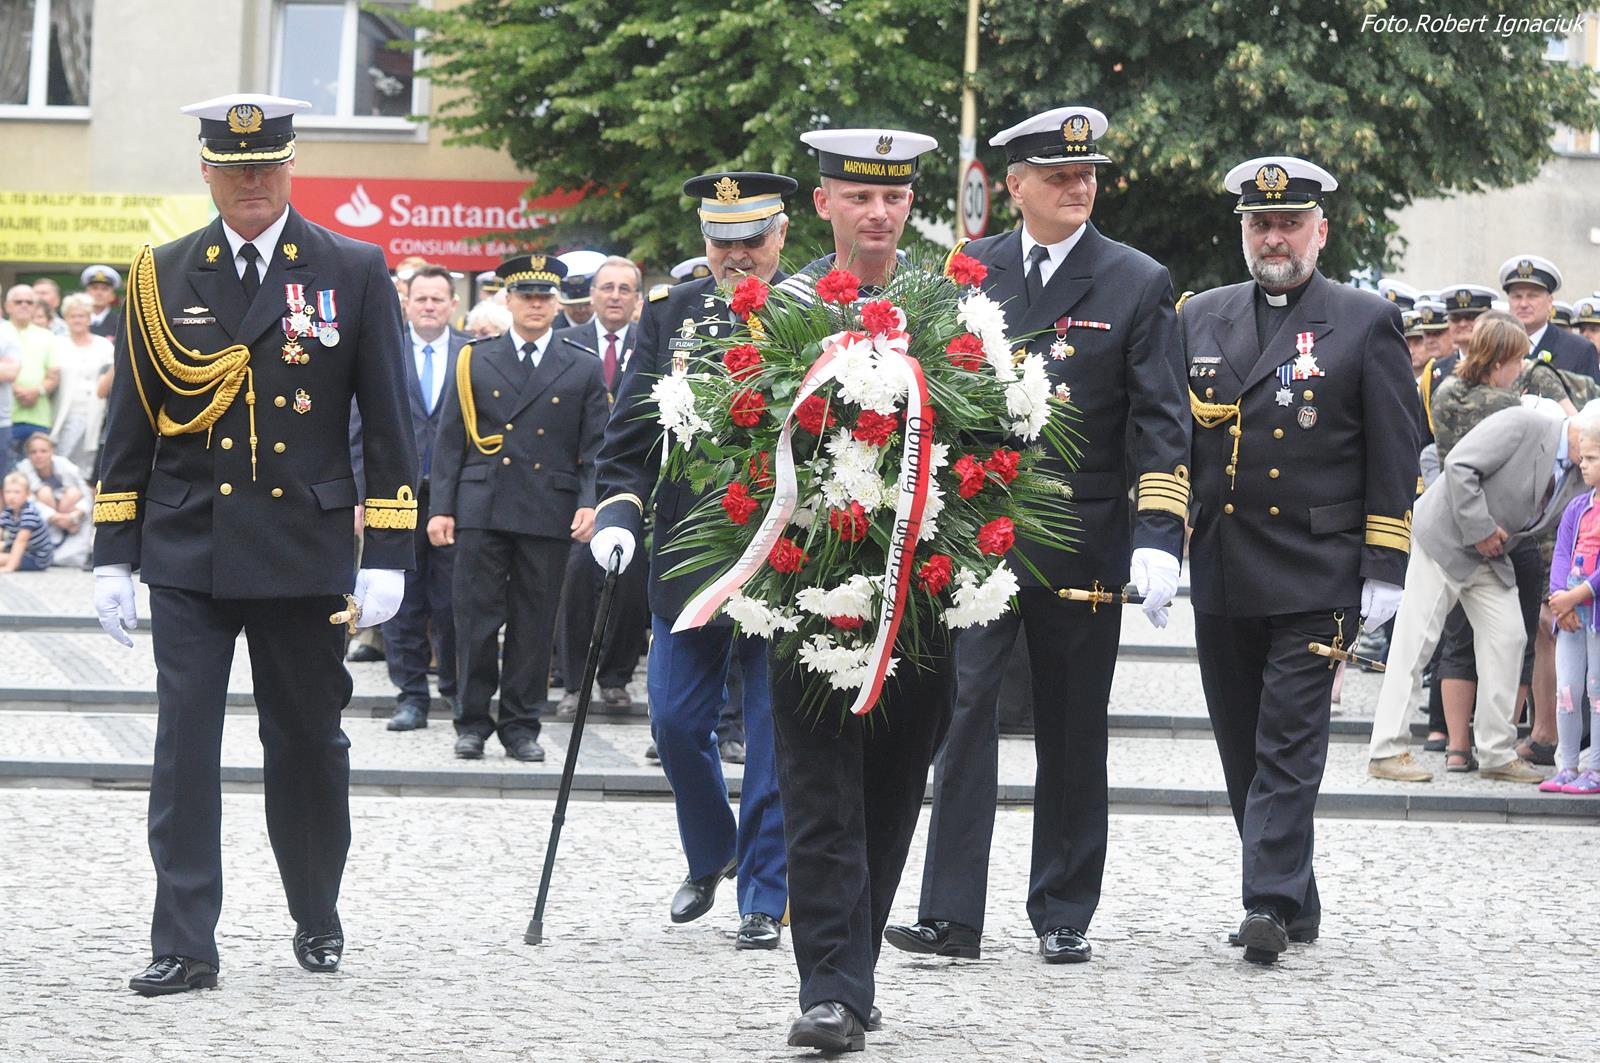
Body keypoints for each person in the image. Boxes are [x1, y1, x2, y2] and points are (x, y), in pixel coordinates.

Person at [92, 93, 417, 995]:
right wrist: (113, 550)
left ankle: (316, 910)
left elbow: (389, 422)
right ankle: (184, 941)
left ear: (291, 166)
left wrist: (389, 551)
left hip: (302, 547)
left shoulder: (350, 267)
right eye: (235, 170)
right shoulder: (160, 274)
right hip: (189, 545)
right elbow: (130, 426)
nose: (252, 184)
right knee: (183, 748)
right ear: (206, 171)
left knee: (308, 740)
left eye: (267, 167)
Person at [887, 106, 1188, 969]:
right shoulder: (970, 269)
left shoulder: (1135, 279)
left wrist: (1158, 532)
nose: (1078, 187)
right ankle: (949, 912)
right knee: (965, 712)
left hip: (1082, 535)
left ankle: (1063, 907)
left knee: (1070, 722)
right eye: (1059, 176)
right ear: (1014, 185)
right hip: (981, 533)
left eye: (1086, 173)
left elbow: (1161, 420)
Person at [1183, 156, 1419, 964]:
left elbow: (1395, 449)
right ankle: (1299, 897)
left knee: (1288, 740)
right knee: (1241, 745)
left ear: (1321, 231)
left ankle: (1269, 903)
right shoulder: (1202, 315)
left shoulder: (1364, 319)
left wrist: (1385, 562)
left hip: (1318, 567)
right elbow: (1176, 437)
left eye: (1289, 223)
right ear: (1243, 231)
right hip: (1225, 564)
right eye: (1260, 224)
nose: (1274, 238)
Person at [588, 171, 794, 956]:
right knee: (674, 721)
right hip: (688, 554)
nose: (735, 255)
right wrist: (617, 512)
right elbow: (629, 438)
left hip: (783, 553)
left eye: (751, 240)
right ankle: (713, 850)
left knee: (772, 735)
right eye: (720, 241)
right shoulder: (671, 313)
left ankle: (764, 894)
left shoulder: (812, 308)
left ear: (780, 235)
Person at [779, 129, 943, 1050]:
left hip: (920, 595)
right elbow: (743, 438)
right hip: (807, 591)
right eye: (858, 196)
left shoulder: (946, 308)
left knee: (891, 788)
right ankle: (830, 988)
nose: (877, 213)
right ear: (824, 204)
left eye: (893, 197)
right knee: (818, 791)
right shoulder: (785, 310)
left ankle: (854, 966)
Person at [428, 253, 608, 762]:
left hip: (547, 507)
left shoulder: (582, 364)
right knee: (475, 620)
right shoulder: (474, 358)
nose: (535, 304)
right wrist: (441, 508)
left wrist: (591, 503)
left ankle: (521, 726)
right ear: (507, 301)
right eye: (526, 296)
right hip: (483, 504)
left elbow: (596, 448)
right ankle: (471, 721)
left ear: (557, 303)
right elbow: (450, 441)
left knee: (534, 622)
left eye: (544, 296)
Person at [1366, 400, 1583, 787]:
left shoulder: (1578, 470)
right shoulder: (1523, 423)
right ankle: (1386, 750)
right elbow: (1459, 466)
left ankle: (1496, 752)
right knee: (1415, 644)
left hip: (1491, 555)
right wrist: (1481, 528)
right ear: (1583, 434)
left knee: (1509, 637)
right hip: (1445, 537)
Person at [553, 255, 647, 714]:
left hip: (633, 480)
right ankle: (574, 682)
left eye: (624, 289)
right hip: (576, 480)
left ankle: (615, 678)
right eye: (606, 287)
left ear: (637, 299)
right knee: (576, 577)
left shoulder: (653, 342)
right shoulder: (564, 344)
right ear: (591, 295)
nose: (614, 296)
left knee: (630, 580)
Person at [379, 264, 469, 732]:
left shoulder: (474, 354)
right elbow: (359, 423)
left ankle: (454, 690)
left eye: (438, 299)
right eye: (421, 299)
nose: (429, 307)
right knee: (402, 602)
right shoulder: (384, 351)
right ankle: (411, 696)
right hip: (395, 495)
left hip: (456, 499)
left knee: (454, 602)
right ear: (407, 304)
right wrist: (360, 494)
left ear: (453, 304)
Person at [1544, 415, 1600, 795]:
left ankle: (1595, 767)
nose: (1582, 464)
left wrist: (1576, 596)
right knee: (1566, 690)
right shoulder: (1577, 506)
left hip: (1593, 613)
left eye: (1592, 458)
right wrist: (1559, 601)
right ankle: (1567, 764)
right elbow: (1561, 555)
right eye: (1582, 457)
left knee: (1596, 691)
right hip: (1570, 614)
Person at [1501, 255, 1598, 381]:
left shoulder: (1578, 350)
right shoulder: (1496, 345)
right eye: (1517, 296)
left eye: (1532, 296)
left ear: (1550, 302)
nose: (1523, 304)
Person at [50, 292, 116, 471]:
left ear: (89, 318)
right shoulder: (56, 344)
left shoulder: (104, 346)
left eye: (82, 316)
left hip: (96, 414)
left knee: (88, 467)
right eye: (73, 316)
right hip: (63, 413)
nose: (77, 320)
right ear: (65, 318)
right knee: (61, 463)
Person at [17, 432, 92, 568]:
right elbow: (26, 500)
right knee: (44, 492)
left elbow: (86, 493)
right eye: (33, 452)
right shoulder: (23, 469)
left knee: (73, 493)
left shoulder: (65, 465)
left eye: (43, 451)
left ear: (52, 451)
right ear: (28, 454)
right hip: (44, 518)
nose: (38, 456)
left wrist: (74, 516)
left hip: (72, 516)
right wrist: (54, 517)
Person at [3, 285, 58, 463]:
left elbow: (54, 375)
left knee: (36, 473)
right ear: (7, 306)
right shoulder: (2, 332)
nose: (24, 305)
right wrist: (17, 389)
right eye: (18, 301)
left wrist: (36, 391)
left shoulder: (48, 336)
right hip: (5, 417)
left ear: (35, 307)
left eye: (29, 302)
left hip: (38, 417)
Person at [0, 471, 53, 572]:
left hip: (36, 557)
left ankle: (11, 563)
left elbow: (21, 542)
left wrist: (9, 567)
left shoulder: (29, 513)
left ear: (27, 494)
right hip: (19, 550)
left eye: (17, 492)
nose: (11, 496)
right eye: (8, 492)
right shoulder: (7, 512)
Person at [552, 249, 606, 329]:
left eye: (587, 303)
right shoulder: (548, 330)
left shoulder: (612, 326)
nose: (581, 309)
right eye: (573, 304)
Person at [82, 264, 122, 338]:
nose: (99, 293)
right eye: (95, 288)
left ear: (113, 296)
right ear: (86, 293)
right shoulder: (76, 320)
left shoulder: (121, 323)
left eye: (104, 289)